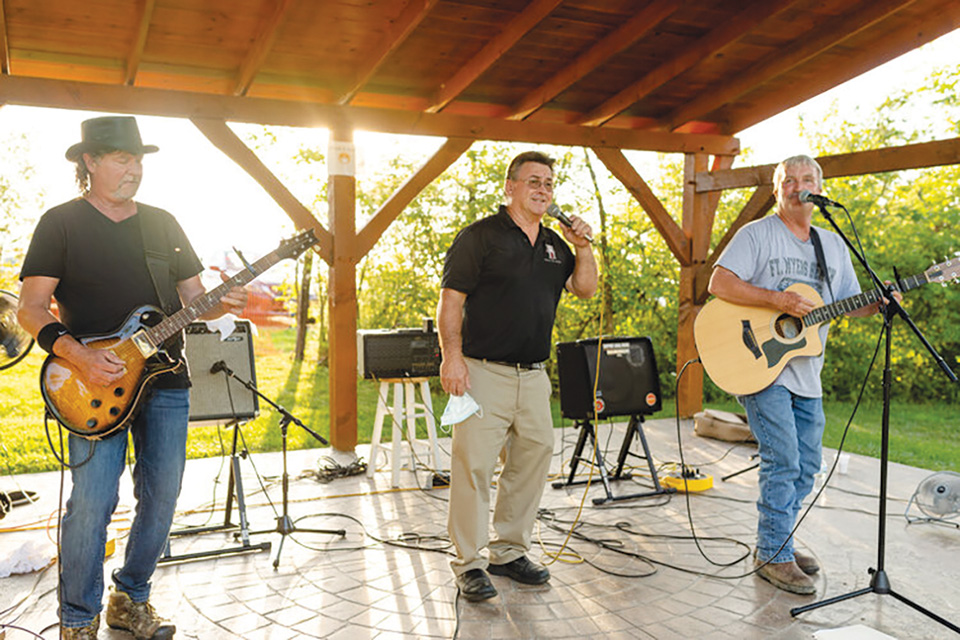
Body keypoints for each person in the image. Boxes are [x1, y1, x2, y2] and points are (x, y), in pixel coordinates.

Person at [18, 116, 247, 639]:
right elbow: (30, 309)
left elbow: (193, 300)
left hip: (165, 379)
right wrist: (78, 357)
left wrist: (224, 301)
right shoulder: (61, 224)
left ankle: (130, 597)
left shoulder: (163, 223)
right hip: (92, 384)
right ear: (90, 162)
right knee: (93, 503)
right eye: (122, 158)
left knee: (163, 497)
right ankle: (78, 619)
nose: (134, 169)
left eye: (138, 159)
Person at [708, 154, 892, 595]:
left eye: (805, 179)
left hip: (807, 370)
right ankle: (773, 552)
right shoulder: (757, 234)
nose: (797, 186)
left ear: (819, 188)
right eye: (788, 181)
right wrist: (778, 301)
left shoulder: (832, 245)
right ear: (778, 191)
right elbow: (719, 283)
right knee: (784, 459)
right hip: (760, 364)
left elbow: (850, 301)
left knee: (808, 465)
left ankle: (779, 541)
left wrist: (883, 302)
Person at [437, 150, 597, 602]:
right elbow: (450, 302)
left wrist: (583, 246)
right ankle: (469, 563)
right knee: (474, 467)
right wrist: (452, 358)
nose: (543, 190)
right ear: (510, 187)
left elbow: (585, 289)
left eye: (549, 183)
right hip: (483, 371)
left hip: (534, 375)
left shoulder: (554, 246)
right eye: (533, 181)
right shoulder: (480, 237)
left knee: (532, 461)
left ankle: (508, 552)